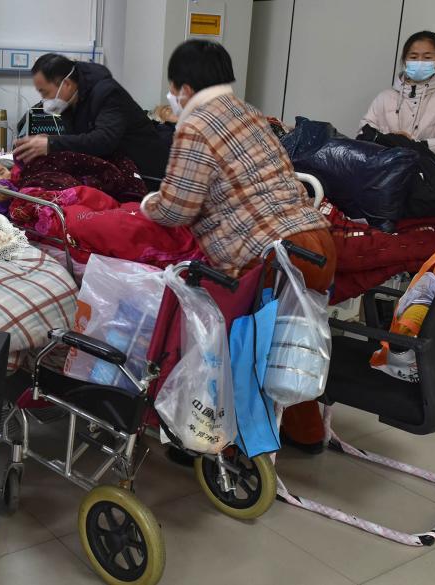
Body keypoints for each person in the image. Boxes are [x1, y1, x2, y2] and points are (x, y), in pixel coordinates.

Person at [141, 41, 336, 453]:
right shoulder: (249, 112)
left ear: (185, 87)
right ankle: (306, 433)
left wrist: (146, 204)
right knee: (287, 341)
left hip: (269, 256)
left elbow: (178, 208)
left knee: (233, 346)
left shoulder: (195, 126)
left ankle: (222, 442)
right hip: (316, 243)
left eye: (173, 89)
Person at [13, 53, 171, 185]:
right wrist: (51, 140)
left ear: (66, 84)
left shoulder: (108, 93)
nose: (44, 99)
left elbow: (104, 139)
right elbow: (81, 141)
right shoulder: (69, 102)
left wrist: (52, 144)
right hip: (115, 173)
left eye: (45, 92)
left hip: (147, 177)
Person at [361, 31, 435, 168]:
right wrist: (392, 141)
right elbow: (363, 134)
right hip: (384, 176)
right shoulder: (384, 97)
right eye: (413, 56)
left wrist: (414, 145)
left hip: (427, 180)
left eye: (427, 57)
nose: (419, 62)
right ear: (405, 59)